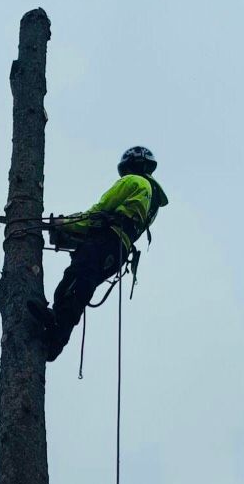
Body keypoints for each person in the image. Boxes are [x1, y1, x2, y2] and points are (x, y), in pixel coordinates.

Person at [28, 145, 168, 360]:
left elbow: (98, 213)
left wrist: (64, 223)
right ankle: (56, 335)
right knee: (79, 288)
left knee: (73, 284)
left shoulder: (133, 182)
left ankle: (56, 334)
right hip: (117, 253)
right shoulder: (152, 203)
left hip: (105, 242)